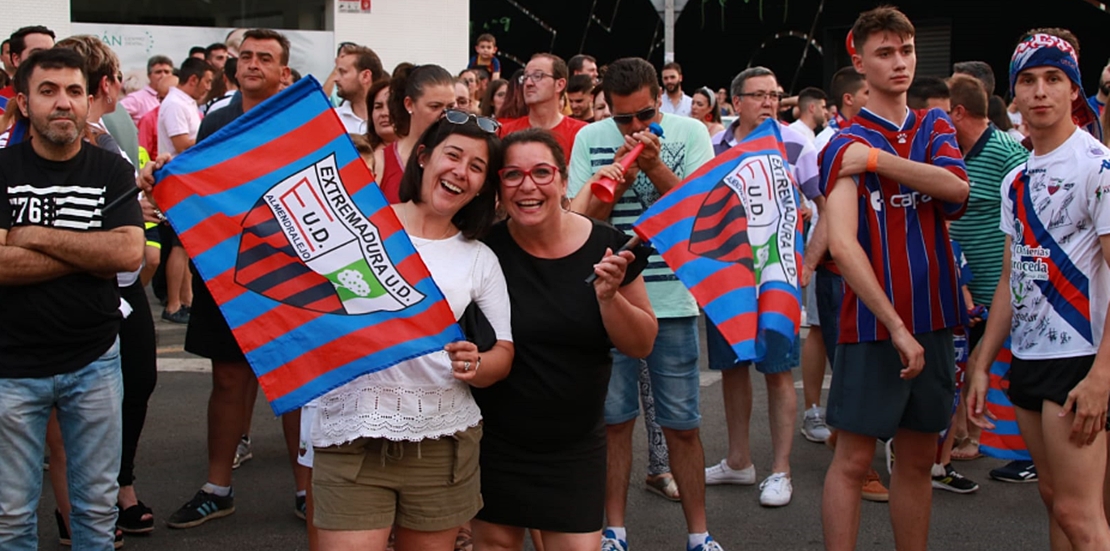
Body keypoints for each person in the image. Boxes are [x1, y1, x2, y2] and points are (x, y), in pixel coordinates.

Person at [310, 110, 514, 551]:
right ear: (423, 156)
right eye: (452, 155)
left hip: (441, 445)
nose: (461, 172)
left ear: (483, 186)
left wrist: (477, 364)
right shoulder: (359, 227)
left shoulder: (479, 258)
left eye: (476, 167)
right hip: (352, 437)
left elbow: (503, 352)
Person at [140, 29, 312, 529]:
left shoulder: (301, 118)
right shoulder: (215, 117)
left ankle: (306, 490)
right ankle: (218, 488)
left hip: (288, 271)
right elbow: (197, 180)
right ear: (234, 66)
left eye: (266, 57)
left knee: (296, 382)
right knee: (228, 380)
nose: (253, 63)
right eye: (247, 56)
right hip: (228, 270)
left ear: (283, 71)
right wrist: (164, 176)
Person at [819, 8, 970, 551]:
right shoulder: (839, 143)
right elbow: (842, 243)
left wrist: (878, 160)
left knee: (916, 457)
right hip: (871, 325)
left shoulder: (932, 125)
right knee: (854, 460)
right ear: (858, 59)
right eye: (885, 52)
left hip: (936, 316)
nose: (900, 62)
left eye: (906, 50)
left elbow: (955, 187)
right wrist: (895, 326)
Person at [471, 127, 657, 551]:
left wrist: (611, 299)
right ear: (499, 186)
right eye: (512, 175)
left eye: (541, 172)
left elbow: (642, 343)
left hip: (575, 447)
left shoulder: (609, 246)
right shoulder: (484, 250)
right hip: (497, 442)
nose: (528, 186)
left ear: (562, 179)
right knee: (495, 542)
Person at [567, 57, 722, 551]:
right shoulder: (589, 140)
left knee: (682, 424)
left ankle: (699, 535)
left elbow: (699, 214)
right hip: (609, 300)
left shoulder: (691, 131)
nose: (636, 127)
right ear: (605, 109)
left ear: (661, 98)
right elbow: (574, 220)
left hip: (672, 299)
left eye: (645, 116)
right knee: (614, 424)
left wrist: (653, 165)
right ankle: (613, 532)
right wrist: (608, 188)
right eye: (623, 118)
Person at [967, 30, 1110, 550]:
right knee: (1054, 499)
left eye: (1054, 78)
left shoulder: (1098, 167)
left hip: (1082, 357)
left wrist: (1103, 375)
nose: (1040, 91)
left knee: (1080, 513)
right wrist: (984, 361)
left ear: (1074, 90)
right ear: (1014, 93)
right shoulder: (1016, 179)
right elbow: (1014, 274)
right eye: (1028, 80)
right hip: (1028, 356)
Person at [0, 47, 145, 551]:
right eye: (48, 91)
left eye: (74, 92)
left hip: (95, 360)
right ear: (23, 103)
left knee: (96, 513)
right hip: (11, 366)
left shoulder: (109, 170)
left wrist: (29, 234)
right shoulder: (2, 168)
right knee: (12, 515)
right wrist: (90, 252)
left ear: (88, 102)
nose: (63, 103)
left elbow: (129, 253)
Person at [54, 34, 161, 538]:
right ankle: (76, 510)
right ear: (106, 82)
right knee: (77, 401)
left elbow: (119, 194)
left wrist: (139, 196)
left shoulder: (112, 130)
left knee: (136, 384)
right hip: (86, 285)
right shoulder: (58, 140)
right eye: (118, 78)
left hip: (126, 284)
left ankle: (119, 487)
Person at [702, 66, 819, 508]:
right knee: (732, 369)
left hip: (778, 276)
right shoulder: (713, 144)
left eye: (775, 95)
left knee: (777, 372)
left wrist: (806, 263)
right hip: (728, 277)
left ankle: (781, 470)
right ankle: (738, 460)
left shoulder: (797, 141)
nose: (770, 102)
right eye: (759, 95)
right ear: (736, 102)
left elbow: (822, 204)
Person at [945, 74, 1029, 476]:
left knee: (985, 362)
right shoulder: (953, 153)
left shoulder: (1005, 152)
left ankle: (989, 440)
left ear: (959, 112)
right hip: (964, 287)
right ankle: (968, 436)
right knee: (966, 364)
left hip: (1002, 289)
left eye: (945, 113)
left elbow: (1031, 211)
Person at [157, 57, 213, 326]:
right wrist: (211, 140)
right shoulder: (175, 104)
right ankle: (173, 303)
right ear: (194, 79)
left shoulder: (186, 103)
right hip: (177, 179)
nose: (208, 88)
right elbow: (181, 143)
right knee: (179, 247)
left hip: (188, 181)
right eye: (207, 82)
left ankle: (187, 300)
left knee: (188, 246)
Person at [374, 64, 456, 204]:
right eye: (435, 107)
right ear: (409, 104)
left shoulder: (459, 161)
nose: (445, 115)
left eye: (450, 107)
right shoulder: (381, 161)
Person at [498, 54, 586, 163]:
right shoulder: (505, 132)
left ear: (560, 84)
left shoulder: (582, 133)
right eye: (525, 77)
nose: (528, 83)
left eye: (538, 76)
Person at [0, 26, 55, 118]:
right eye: (37, 54)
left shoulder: (66, 100)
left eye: (52, 53)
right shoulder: (2, 101)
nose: (47, 60)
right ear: (16, 59)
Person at [814, 67, 868, 152]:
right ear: (848, 99)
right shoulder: (826, 141)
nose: (874, 97)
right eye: (867, 93)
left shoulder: (871, 133)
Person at [333, 46, 384, 134]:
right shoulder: (332, 120)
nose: (336, 79)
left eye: (343, 72)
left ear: (365, 76)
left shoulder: (389, 121)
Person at [119, 55, 174, 126]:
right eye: (158, 72)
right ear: (149, 75)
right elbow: (112, 116)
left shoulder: (175, 97)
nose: (163, 76)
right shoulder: (137, 99)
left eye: (167, 72)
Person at [364, 79, 396, 172]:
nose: (384, 113)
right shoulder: (359, 150)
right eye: (378, 107)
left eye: (391, 106)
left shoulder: (420, 152)